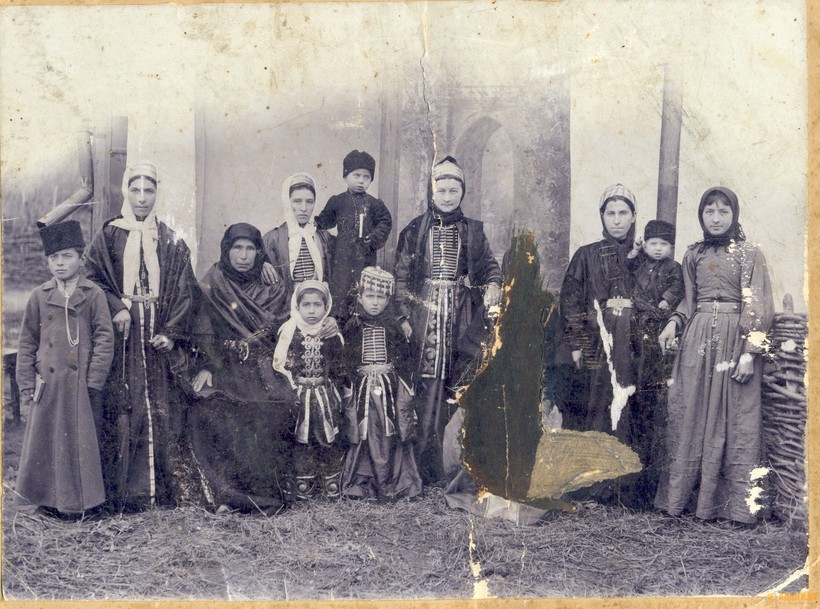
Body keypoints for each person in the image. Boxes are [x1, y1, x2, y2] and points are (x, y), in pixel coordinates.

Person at [85, 162, 200, 511]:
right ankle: (126, 491)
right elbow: (92, 277)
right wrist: (115, 307)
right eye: (135, 190)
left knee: (162, 403)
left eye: (149, 191)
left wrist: (170, 332)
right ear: (126, 191)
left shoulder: (168, 238)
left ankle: (162, 490)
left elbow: (185, 290)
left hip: (157, 332)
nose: (141, 198)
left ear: (156, 194)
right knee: (124, 402)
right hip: (123, 333)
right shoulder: (108, 235)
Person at [655, 187, 773, 524]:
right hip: (698, 340)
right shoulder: (693, 254)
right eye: (709, 211)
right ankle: (684, 500)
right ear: (701, 216)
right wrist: (674, 323)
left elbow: (759, 303)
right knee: (690, 412)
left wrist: (749, 352)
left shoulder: (750, 254)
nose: (716, 218)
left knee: (737, 417)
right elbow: (688, 301)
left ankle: (735, 509)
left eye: (723, 211)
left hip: (736, 341)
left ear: (734, 215)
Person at [394, 156, 503, 486]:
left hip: (460, 314)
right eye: (441, 190)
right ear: (431, 192)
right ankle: (423, 467)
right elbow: (402, 277)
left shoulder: (473, 230)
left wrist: (494, 283)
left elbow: (489, 267)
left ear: (462, 192)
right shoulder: (415, 230)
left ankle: (450, 467)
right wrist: (404, 316)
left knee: (455, 385)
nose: (447, 196)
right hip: (424, 313)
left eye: (453, 190)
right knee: (426, 387)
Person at [188, 223, 294, 514]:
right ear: (227, 250)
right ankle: (227, 495)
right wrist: (206, 365)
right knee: (211, 409)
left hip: (263, 366)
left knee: (269, 409)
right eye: (237, 248)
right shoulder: (214, 281)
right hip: (224, 365)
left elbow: (284, 330)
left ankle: (263, 496)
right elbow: (203, 327)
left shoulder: (273, 286)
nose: (244, 256)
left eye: (250, 249)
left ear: (259, 252)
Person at [15, 220, 114, 518]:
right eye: (54, 257)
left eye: (67, 256)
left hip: (80, 385)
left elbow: (104, 338)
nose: (60, 263)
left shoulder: (93, 294)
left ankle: (81, 504)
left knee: (78, 443)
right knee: (47, 441)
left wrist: (94, 380)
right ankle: (48, 500)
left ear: (81, 259)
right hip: (48, 385)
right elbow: (26, 341)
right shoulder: (40, 295)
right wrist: (26, 382)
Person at [559, 183, 641, 505]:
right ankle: (594, 486)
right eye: (611, 213)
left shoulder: (644, 257)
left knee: (630, 409)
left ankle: (626, 489)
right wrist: (577, 344)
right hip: (596, 346)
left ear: (633, 216)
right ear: (602, 216)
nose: (617, 220)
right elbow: (570, 301)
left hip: (632, 348)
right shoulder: (586, 255)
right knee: (596, 408)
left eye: (623, 213)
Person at [340, 267, 422, 501]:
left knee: (388, 432)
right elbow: (346, 360)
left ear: (388, 299)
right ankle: (363, 481)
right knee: (365, 432)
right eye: (370, 296)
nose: (375, 302)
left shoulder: (394, 327)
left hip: (388, 389)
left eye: (381, 297)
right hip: (362, 389)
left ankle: (390, 482)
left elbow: (405, 359)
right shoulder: (352, 326)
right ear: (360, 297)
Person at [627, 219, 684, 505]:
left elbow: (677, 288)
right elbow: (627, 271)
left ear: (671, 247)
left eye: (664, 244)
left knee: (653, 394)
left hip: (657, 327)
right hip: (636, 328)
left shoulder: (674, 268)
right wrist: (636, 252)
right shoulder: (639, 264)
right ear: (645, 244)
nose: (658, 249)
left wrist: (665, 300)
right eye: (653, 244)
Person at [273, 280, 346, 501]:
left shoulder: (331, 335)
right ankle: (302, 485)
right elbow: (280, 364)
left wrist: (338, 392)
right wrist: (292, 388)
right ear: (297, 306)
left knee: (326, 436)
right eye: (306, 305)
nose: (312, 311)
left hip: (324, 394)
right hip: (298, 394)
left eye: (317, 305)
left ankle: (329, 484)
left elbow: (339, 366)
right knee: (300, 438)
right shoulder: (289, 332)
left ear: (326, 307)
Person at [315, 150, 392, 321]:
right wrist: (319, 227)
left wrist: (373, 238)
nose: (361, 180)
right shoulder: (337, 201)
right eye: (356, 175)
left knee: (363, 291)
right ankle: (338, 325)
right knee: (340, 293)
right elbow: (324, 222)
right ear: (345, 176)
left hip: (365, 258)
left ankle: (360, 327)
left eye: (366, 177)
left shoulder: (374, 204)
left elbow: (385, 222)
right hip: (341, 259)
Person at [261, 173, 334, 300]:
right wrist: (260, 263)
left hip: (318, 301)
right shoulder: (272, 238)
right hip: (285, 302)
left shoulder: (324, 237)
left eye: (309, 202)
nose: (303, 208)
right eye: (297, 201)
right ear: (287, 202)